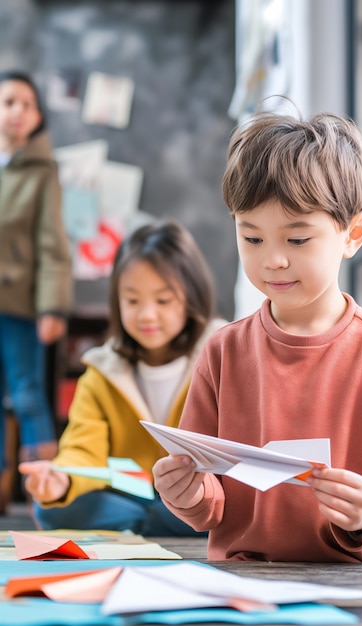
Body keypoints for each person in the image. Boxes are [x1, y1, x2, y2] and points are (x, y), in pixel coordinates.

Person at [152, 110, 362, 562]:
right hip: (240, 581)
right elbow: (208, 494)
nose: (272, 260)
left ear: (353, 234)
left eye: (297, 240)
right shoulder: (221, 351)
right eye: (251, 238)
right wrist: (187, 493)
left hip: (351, 582)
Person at [19, 220, 227, 536]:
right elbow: (83, 450)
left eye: (163, 300)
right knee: (52, 510)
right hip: (132, 493)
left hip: (199, 496)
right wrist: (61, 480)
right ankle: (159, 523)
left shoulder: (222, 356)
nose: (146, 315)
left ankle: (148, 524)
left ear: (191, 298)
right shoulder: (103, 371)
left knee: (222, 506)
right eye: (132, 300)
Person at [0, 70, 72, 514]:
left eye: (28, 104)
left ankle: (44, 497)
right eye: (9, 101)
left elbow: (53, 244)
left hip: (21, 305)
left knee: (27, 394)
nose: (18, 111)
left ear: (38, 116)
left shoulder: (42, 171)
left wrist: (52, 306)